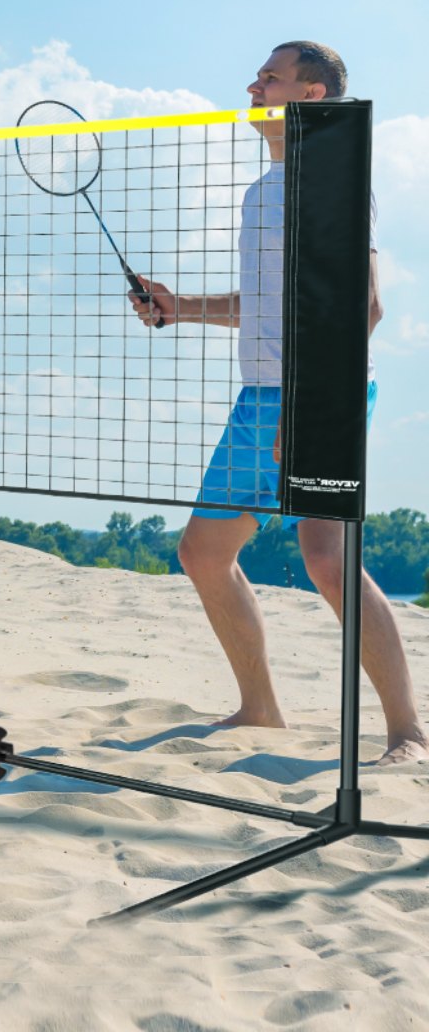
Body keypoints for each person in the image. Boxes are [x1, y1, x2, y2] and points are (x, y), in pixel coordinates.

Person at [130, 43, 426, 766]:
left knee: (327, 561)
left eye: (270, 77)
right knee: (203, 554)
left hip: (321, 393)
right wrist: (179, 307)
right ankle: (260, 710)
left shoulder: (332, 179)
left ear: (312, 95)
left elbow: (364, 306)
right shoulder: (263, 190)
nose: (252, 86)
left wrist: (308, 401)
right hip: (261, 394)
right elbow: (264, 307)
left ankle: (409, 734)